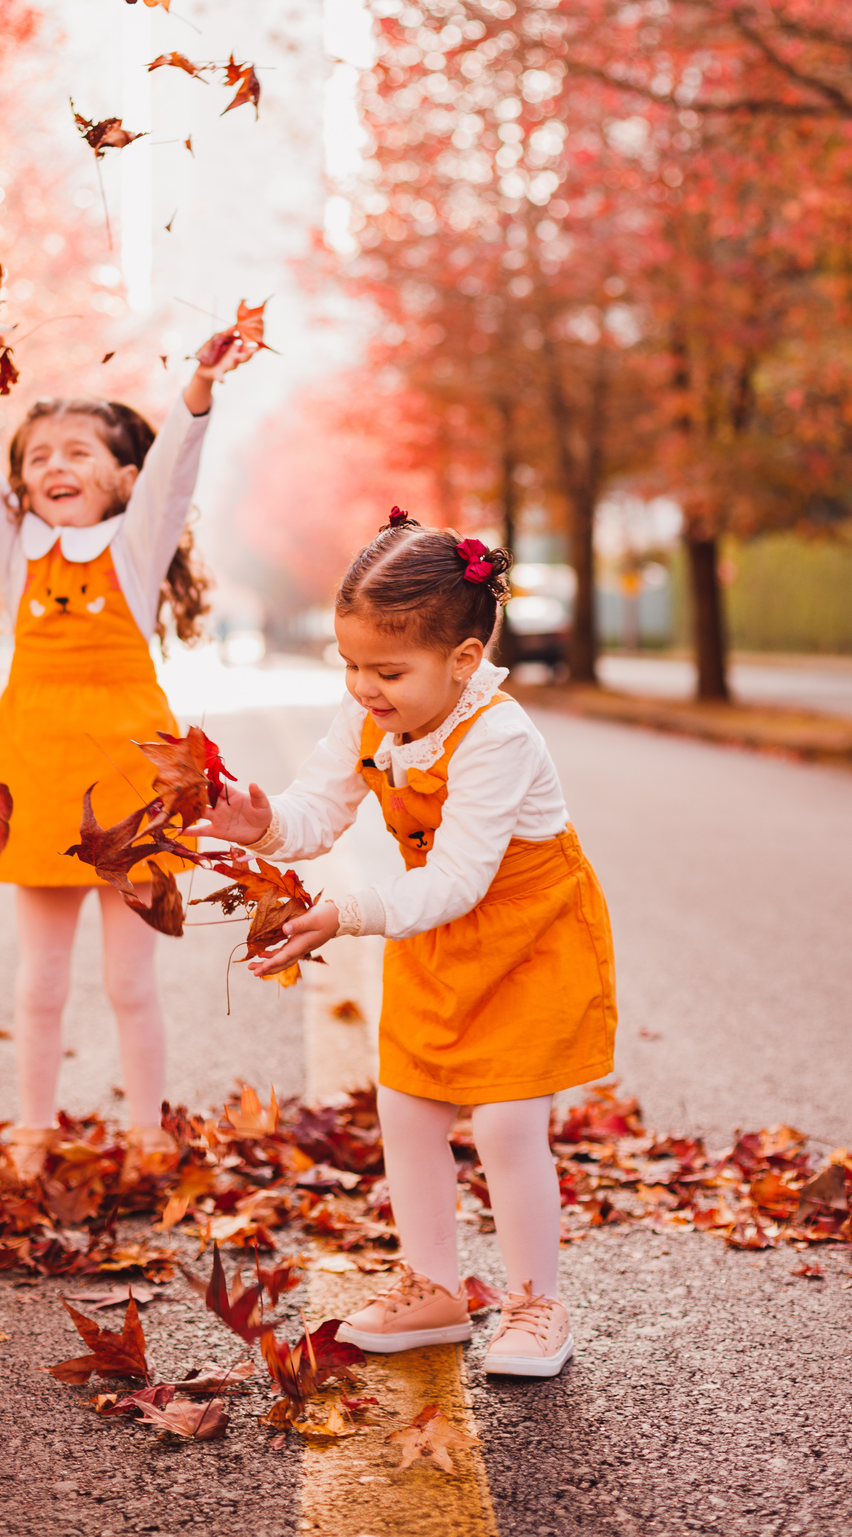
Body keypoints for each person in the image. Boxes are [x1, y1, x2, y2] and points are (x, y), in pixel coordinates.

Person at [194, 512, 616, 1377]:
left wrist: (346, 914)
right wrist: (264, 823)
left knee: (504, 1121)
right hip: (436, 936)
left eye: (387, 670)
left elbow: (459, 881)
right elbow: (318, 812)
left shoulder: (496, 735)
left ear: (463, 661)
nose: (363, 687)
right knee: (409, 1107)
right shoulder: (369, 722)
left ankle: (538, 1303)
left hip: (526, 934)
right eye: (349, 665)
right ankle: (433, 1289)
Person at [0, 338, 257, 1178]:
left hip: (129, 777)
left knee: (129, 981)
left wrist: (202, 383)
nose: (54, 465)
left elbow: (176, 467)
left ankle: (147, 1131)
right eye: (38, 457)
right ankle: (34, 1128)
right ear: (22, 483)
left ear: (120, 478)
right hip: (34, 778)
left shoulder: (136, 546)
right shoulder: (12, 551)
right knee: (40, 980)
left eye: (79, 452)